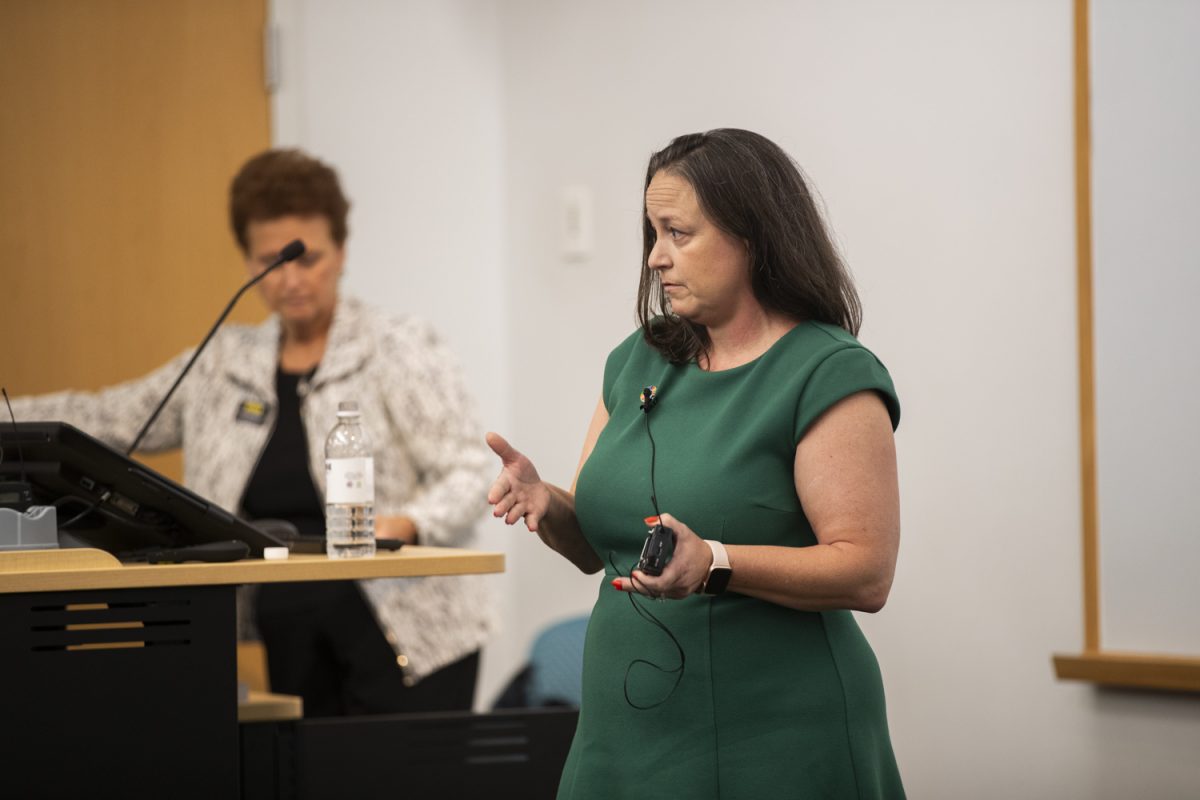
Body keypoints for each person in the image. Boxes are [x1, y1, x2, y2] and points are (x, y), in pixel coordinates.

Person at [486, 129, 904, 798]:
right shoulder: (639, 359)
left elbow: (865, 572)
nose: (656, 257)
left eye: (678, 233)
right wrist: (548, 502)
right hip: (623, 740)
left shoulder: (828, 372)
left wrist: (715, 562)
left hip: (775, 736)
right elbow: (601, 547)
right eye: (652, 233)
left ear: (752, 237)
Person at [11, 148, 495, 716]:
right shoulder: (222, 364)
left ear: (340, 252)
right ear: (249, 264)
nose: (291, 279)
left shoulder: (398, 347)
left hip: (408, 628)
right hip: (287, 622)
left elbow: (467, 471)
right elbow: (107, 415)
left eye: (307, 258)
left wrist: (409, 521)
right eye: (273, 262)